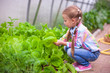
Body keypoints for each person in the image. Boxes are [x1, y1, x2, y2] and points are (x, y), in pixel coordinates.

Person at [54, 5, 100, 71]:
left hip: (93, 54)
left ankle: (86, 64)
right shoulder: (73, 27)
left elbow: (76, 45)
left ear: (72, 20)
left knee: (70, 51)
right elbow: (65, 36)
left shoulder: (81, 30)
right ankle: (79, 62)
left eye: (65, 20)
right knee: (66, 47)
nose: (64, 23)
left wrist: (62, 43)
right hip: (87, 51)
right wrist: (59, 41)